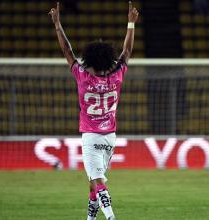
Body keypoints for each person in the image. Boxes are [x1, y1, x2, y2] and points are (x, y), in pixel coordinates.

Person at [49, 2, 139, 220]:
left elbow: (67, 51)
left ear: (89, 60)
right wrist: (131, 23)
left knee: (97, 181)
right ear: (108, 60)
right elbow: (126, 51)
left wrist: (58, 24)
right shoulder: (117, 74)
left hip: (90, 136)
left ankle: (110, 217)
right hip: (110, 137)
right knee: (93, 180)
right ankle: (90, 218)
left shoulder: (82, 75)